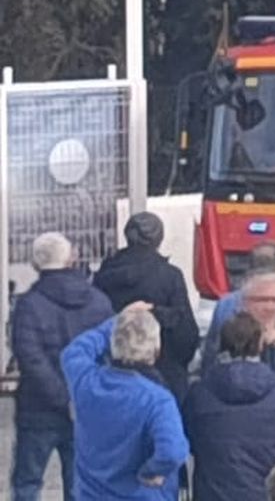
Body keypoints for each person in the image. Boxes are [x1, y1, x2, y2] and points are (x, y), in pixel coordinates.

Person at [11, 231, 114, 501]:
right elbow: (108, 351)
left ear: (35, 264)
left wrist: (61, 396)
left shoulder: (28, 305)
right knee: (79, 483)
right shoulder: (99, 301)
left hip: (38, 409)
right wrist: (80, 395)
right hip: (86, 406)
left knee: (28, 482)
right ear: (73, 258)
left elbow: (29, 356)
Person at [62, 304, 190, 501]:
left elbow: (74, 351)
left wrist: (116, 321)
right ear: (156, 350)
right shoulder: (157, 399)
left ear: (113, 345)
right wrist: (150, 471)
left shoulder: (87, 383)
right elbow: (173, 451)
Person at [185, 312, 275, 501]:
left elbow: (190, 441)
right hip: (268, 493)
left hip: (213, 494)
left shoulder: (199, 394)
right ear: (260, 345)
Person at [93, 211, 200, 400]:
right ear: (159, 238)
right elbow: (187, 336)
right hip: (164, 376)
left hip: (112, 375)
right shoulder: (170, 276)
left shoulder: (104, 276)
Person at [201, 260, 275, 393]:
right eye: (262, 300)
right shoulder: (227, 308)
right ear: (245, 300)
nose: (270, 307)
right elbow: (211, 358)